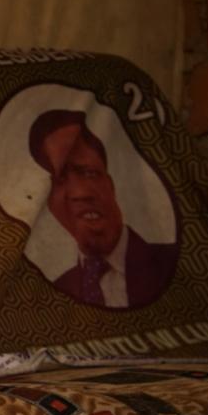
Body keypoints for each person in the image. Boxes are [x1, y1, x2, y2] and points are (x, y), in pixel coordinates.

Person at [27, 110, 176, 309]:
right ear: (50, 205)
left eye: (89, 173)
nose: (80, 193)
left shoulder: (173, 267)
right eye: (60, 180)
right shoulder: (55, 295)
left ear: (111, 185)